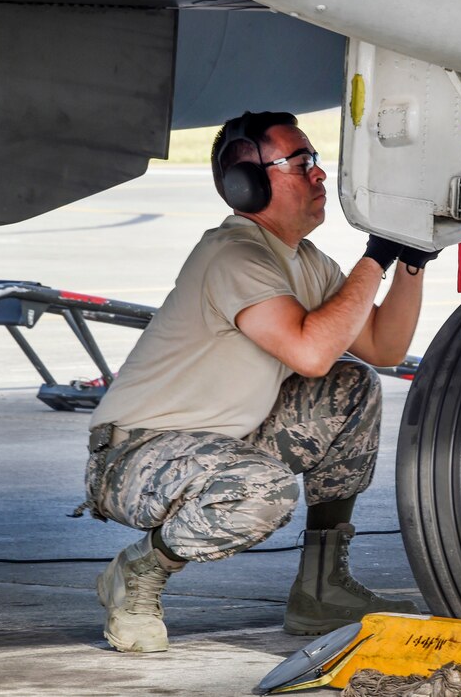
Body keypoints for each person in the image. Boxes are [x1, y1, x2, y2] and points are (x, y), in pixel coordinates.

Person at [80, 111, 440, 653]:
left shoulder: (305, 261)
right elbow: (311, 352)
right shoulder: (233, 254)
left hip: (221, 447)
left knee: (353, 387)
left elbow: (383, 347)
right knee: (263, 489)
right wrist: (376, 257)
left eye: (315, 161)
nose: (319, 176)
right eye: (302, 164)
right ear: (246, 185)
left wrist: (409, 260)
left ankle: (322, 586)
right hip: (134, 456)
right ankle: (138, 573)